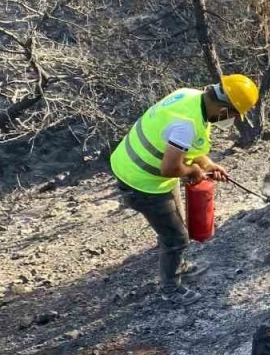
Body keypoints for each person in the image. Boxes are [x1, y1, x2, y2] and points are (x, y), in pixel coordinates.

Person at [110, 75, 260, 298]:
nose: (232, 119)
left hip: (131, 163)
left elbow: (187, 148)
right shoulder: (186, 124)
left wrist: (207, 164)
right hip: (141, 181)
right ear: (224, 108)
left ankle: (177, 262)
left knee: (176, 225)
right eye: (234, 114)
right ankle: (170, 289)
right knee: (177, 238)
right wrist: (193, 171)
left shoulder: (190, 96)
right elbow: (170, 168)